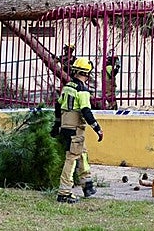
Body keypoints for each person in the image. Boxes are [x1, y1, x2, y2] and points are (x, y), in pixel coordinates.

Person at [51, 57, 104, 203]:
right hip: (76, 129)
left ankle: (87, 185)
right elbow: (86, 111)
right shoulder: (82, 90)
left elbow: (58, 105)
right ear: (87, 74)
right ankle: (64, 192)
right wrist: (97, 128)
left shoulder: (68, 86)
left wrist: (56, 126)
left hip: (67, 127)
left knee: (82, 154)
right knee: (72, 158)